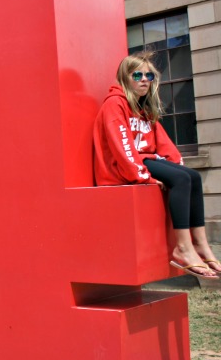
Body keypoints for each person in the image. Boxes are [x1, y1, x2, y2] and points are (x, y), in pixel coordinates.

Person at [93, 51, 219, 280]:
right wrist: (143, 177)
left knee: (193, 177)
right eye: (137, 75)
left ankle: (201, 244)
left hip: (145, 161)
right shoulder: (115, 104)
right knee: (181, 179)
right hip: (122, 169)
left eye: (149, 76)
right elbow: (122, 148)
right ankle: (182, 248)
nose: (144, 79)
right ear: (124, 78)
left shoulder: (144, 109)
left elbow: (164, 144)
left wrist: (177, 164)